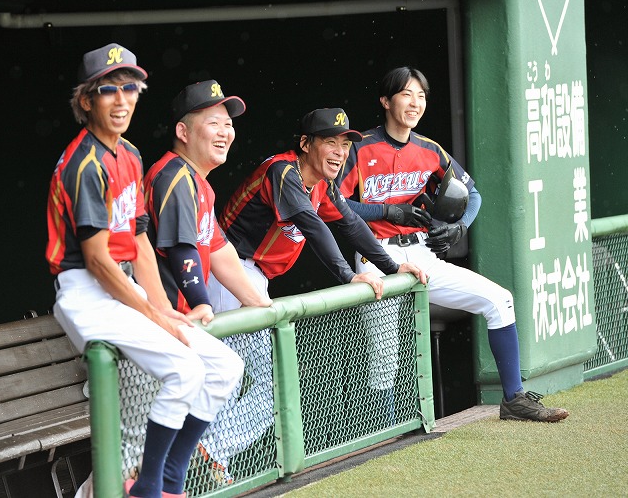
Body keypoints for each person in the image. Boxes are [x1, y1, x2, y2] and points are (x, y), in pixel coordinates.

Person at [46, 43, 244, 498]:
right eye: (109, 90)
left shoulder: (130, 155)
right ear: (86, 100)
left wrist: (160, 307)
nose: (122, 100)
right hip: (86, 292)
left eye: (130, 89)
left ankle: (167, 480)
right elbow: (97, 260)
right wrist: (155, 314)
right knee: (183, 371)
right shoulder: (84, 163)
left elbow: (137, 242)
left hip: (123, 288)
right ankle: (150, 488)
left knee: (225, 367)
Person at [203, 107, 428, 482]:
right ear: (306, 144)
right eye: (330, 142)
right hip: (228, 272)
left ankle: (208, 452)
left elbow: (351, 224)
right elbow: (312, 225)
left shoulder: (322, 184)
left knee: (257, 379)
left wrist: (392, 267)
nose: (340, 152)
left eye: (345, 144)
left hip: (250, 277)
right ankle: (203, 451)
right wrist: (347, 275)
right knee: (244, 376)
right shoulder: (283, 171)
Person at [337, 66, 569, 422]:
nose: (415, 103)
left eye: (421, 96)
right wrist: (387, 210)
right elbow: (333, 203)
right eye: (406, 94)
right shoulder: (360, 147)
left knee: (500, 300)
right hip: (376, 251)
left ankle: (514, 399)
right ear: (385, 101)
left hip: (421, 252)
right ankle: (384, 434)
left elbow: (472, 194)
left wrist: (460, 227)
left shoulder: (429, 150)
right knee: (384, 356)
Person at [143, 80, 274, 485]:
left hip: (175, 330)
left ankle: (182, 470)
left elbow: (219, 252)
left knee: (137, 458)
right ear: (183, 132)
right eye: (213, 123)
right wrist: (201, 300)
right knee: (130, 455)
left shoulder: (198, 182)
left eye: (228, 124)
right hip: (155, 328)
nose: (225, 131)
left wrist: (258, 302)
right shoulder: (172, 176)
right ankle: (180, 470)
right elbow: (181, 249)